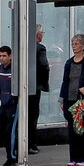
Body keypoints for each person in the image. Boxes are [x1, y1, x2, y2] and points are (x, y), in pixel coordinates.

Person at [59, 33, 84, 166]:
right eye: (72, 44)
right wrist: (62, 100)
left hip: (82, 100)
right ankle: (74, 157)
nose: (74, 46)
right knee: (71, 130)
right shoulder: (69, 62)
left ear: (83, 45)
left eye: (76, 44)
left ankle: (83, 158)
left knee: (81, 130)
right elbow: (65, 81)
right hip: (70, 99)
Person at [0, 45, 19, 166]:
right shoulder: (0, 68)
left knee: (10, 131)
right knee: (2, 131)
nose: (1, 58)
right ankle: (10, 154)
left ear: (10, 56)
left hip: (13, 105)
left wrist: (13, 100)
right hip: (3, 104)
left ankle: (12, 157)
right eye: (0, 56)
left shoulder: (15, 70)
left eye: (4, 56)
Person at [28, 26, 49, 155]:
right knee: (33, 116)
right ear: (38, 34)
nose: (43, 35)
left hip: (22, 87)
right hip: (35, 87)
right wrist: (43, 83)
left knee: (24, 115)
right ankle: (31, 144)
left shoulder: (23, 47)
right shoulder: (40, 48)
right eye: (42, 32)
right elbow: (44, 66)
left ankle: (21, 143)